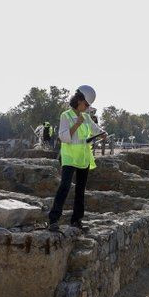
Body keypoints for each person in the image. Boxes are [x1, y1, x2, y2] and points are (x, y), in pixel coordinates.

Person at [48, 85, 107, 231]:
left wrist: (102, 132)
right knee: (65, 186)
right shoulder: (66, 115)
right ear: (79, 100)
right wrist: (77, 123)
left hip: (83, 158)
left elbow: (95, 129)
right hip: (69, 158)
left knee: (80, 190)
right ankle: (53, 220)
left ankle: (77, 220)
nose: (87, 108)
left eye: (88, 105)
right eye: (86, 104)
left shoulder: (87, 117)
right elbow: (63, 137)